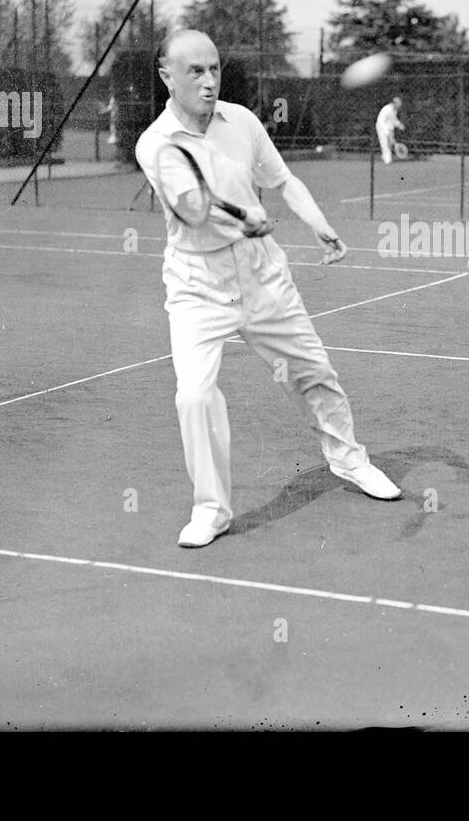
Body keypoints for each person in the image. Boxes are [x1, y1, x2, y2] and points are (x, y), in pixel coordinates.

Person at [136, 30, 402, 548]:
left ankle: (350, 461)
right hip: (197, 288)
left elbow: (283, 181)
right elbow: (192, 209)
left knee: (314, 374)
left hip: (262, 278)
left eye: (214, 69)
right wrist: (243, 221)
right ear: (167, 75)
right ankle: (211, 509)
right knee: (194, 396)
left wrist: (320, 225)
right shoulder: (155, 144)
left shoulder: (244, 121)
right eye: (195, 71)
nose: (209, 81)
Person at [375, 96, 405, 164]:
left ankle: (384, 156)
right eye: (399, 104)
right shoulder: (387, 109)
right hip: (381, 127)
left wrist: (399, 125)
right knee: (384, 143)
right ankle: (387, 160)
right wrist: (387, 133)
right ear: (394, 103)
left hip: (389, 128)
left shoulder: (395, 110)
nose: (400, 106)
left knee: (390, 144)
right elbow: (381, 121)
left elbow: (393, 120)